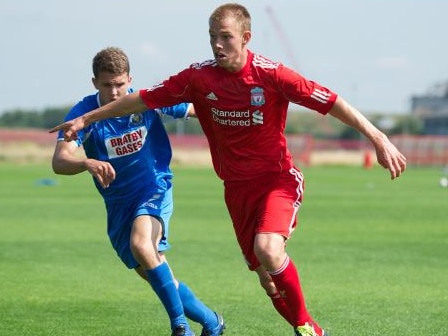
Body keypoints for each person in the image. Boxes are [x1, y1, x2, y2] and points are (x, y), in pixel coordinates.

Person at [50, 4, 407, 336]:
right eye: (212, 38)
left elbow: (330, 101)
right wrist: (84, 120)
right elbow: (144, 98)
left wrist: (378, 137)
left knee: (266, 250)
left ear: (245, 38)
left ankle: (304, 327)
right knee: (266, 279)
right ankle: (225, 322)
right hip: (234, 190)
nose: (217, 45)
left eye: (225, 37)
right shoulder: (198, 78)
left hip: (274, 180)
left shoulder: (273, 75)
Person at [50, 47, 225, 336]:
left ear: (130, 79)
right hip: (119, 205)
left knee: (143, 246)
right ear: (95, 83)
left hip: (154, 187)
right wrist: (85, 162)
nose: (115, 92)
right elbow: (59, 161)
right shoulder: (84, 113)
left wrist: (233, 119)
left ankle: (180, 328)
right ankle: (211, 322)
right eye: (107, 85)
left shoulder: (146, 101)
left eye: (120, 84)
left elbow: (196, 109)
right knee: (157, 272)